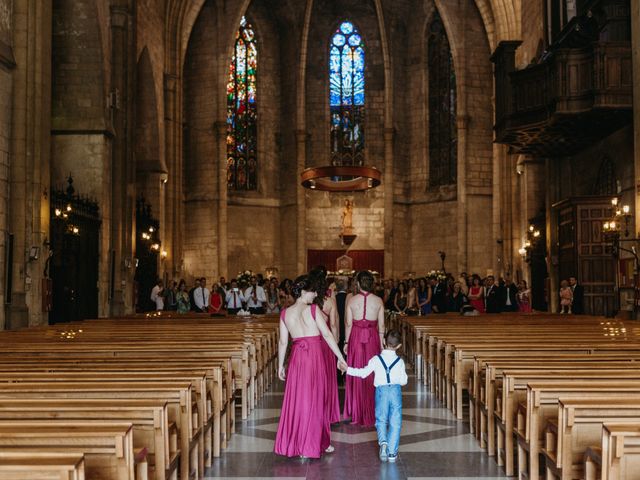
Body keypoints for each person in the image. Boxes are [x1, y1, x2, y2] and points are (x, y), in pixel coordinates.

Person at [274, 271, 347, 459]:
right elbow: (328, 335)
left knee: (299, 400)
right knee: (316, 399)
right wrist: (340, 357)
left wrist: (280, 365)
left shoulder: (284, 313)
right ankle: (316, 443)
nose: (316, 294)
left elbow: (283, 343)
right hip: (314, 357)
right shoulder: (314, 310)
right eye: (313, 291)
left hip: (297, 358)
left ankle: (298, 443)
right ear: (305, 292)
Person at [346, 329, 408, 463]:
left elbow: (363, 373)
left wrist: (348, 369)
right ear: (399, 346)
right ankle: (392, 453)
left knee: (381, 419)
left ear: (384, 341)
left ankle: (383, 442)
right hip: (395, 392)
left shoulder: (376, 359)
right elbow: (403, 381)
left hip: (381, 391)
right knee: (395, 422)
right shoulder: (400, 362)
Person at [343, 270, 385, 427]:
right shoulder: (379, 300)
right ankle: (372, 411)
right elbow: (381, 325)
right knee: (373, 372)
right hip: (373, 338)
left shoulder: (352, 300)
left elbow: (348, 324)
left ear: (358, 283)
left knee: (356, 370)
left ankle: (357, 412)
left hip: (355, 338)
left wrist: (346, 343)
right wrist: (381, 346)